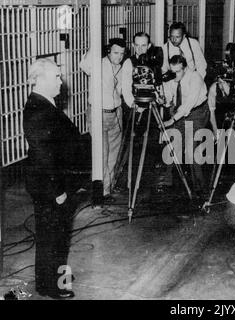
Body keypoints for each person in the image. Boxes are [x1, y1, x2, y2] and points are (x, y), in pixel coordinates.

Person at [23, 58, 79, 299]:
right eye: (56, 76)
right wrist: (58, 191)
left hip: (51, 182)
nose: (60, 80)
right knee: (53, 235)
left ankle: (50, 278)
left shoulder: (44, 104)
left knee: (54, 233)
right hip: (50, 185)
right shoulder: (38, 109)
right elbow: (44, 156)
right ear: (42, 78)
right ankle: (52, 286)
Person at [80, 38, 135, 202]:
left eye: (122, 54)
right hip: (98, 113)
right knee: (102, 154)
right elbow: (84, 66)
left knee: (114, 154)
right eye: (116, 53)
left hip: (116, 113)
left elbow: (126, 90)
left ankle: (106, 190)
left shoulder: (123, 67)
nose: (119, 57)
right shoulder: (97, 63)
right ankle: (99, 191)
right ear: (108, 51)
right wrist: (94, 45)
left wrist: (135, 105)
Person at [158, 55, 209, 197]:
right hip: (179, 111)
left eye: (178, 72)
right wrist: (163, 99)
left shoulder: (195, 77)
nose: (175, 75)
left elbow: (189, 103)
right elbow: (169, 99)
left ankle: (200, 189)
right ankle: (168, 183)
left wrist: (173, 119)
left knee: (192, 150)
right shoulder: (171, 78)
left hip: (196, 111)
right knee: (172, 145)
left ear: (185, 68)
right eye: (173, 72)